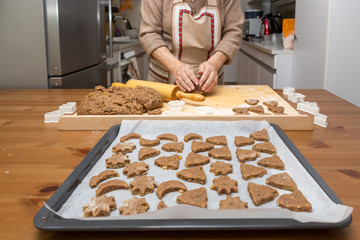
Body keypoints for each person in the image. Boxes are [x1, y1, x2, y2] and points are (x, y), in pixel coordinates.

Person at [139, 0, 244, 93]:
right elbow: (149, 34)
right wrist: (175, 67)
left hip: (211, 87)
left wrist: (214, 64)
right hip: (163, 84)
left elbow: (233, 31)